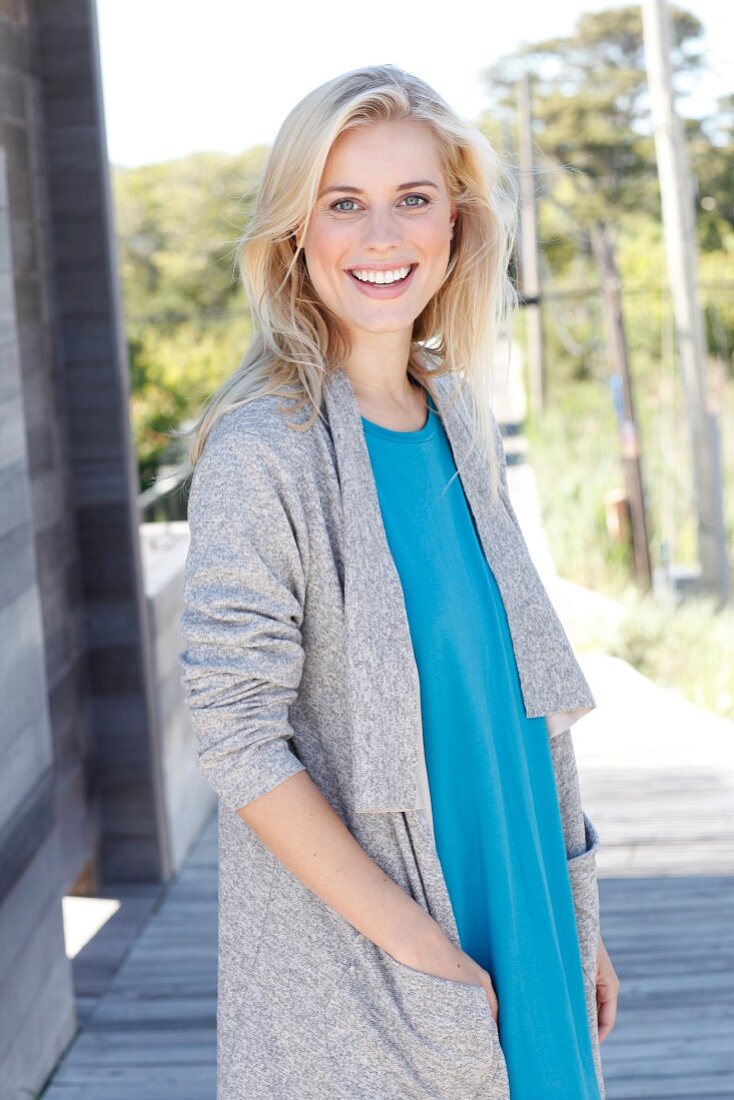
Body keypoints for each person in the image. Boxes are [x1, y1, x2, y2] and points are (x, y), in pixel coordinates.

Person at [178, 63, 619, 1100]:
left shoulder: (458, 421)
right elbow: (235, 733)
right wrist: (423, 950)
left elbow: (526, 697)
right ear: (296, 233)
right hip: (384, 973)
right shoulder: (263, 450)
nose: (382, 237)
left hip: (528, 933)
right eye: (344, 204)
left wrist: (572, 919)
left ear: (455, 224)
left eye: (412, 199)